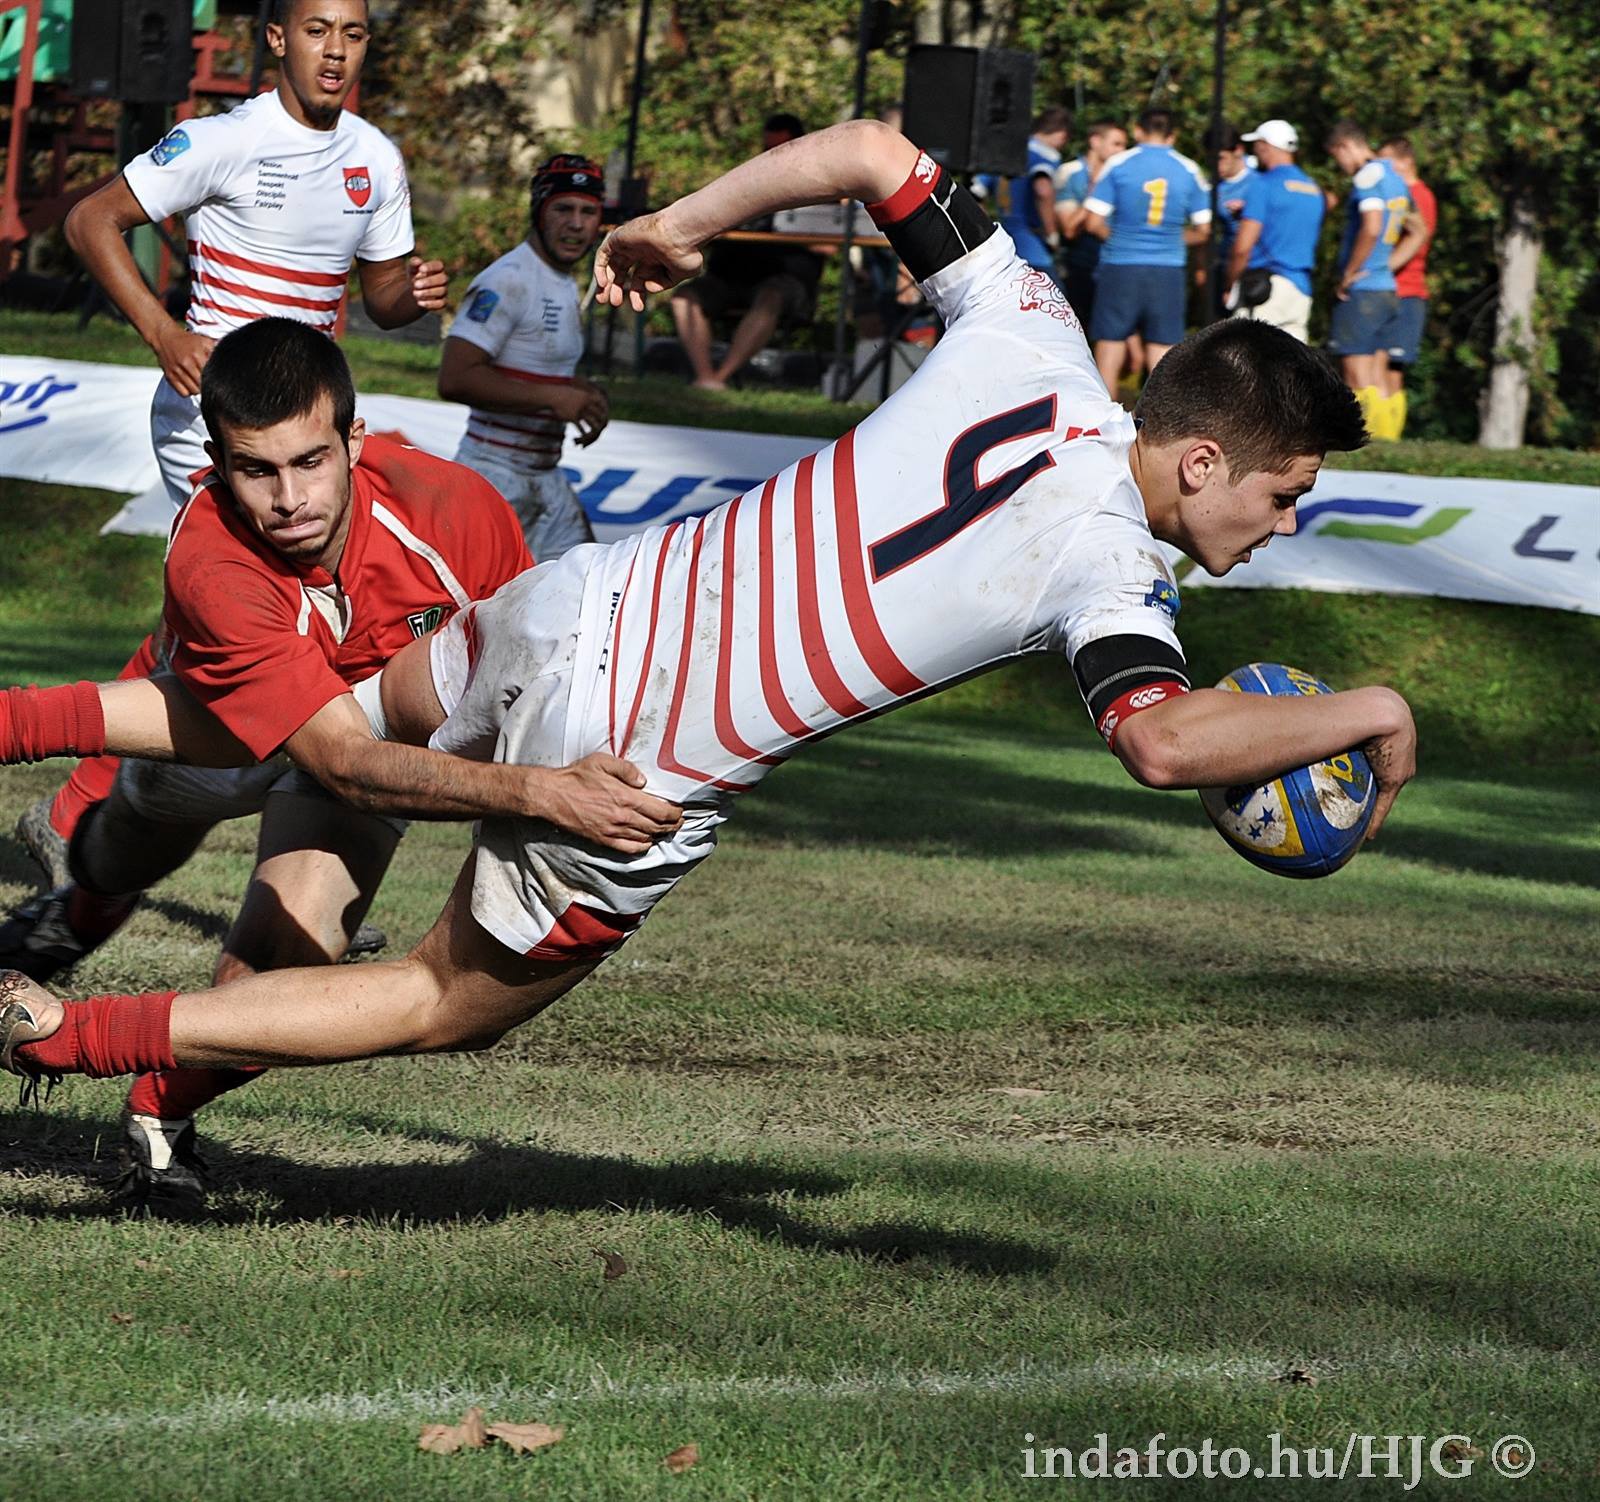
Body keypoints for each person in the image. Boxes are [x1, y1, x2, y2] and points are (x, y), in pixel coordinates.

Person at [0, 121, 1416, 1136]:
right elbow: (1167, 743)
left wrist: (678, 221)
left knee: (337, 728)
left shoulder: (1029, 319)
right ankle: (78, 1032)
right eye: (1289, 494)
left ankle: (102, 943)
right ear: (1206, 461)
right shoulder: (1113, 571)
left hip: (584, 603)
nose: (1285, 525)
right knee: (438, 995)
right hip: (646, 761)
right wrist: (1372, 710)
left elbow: (868, 151)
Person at [0, 318, 678, 1210]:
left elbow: (510, 688)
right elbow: (341, 758)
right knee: (124, 850)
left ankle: (159, 1112)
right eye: (256, 469)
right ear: (214, 459)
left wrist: (543, 778)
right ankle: (79, 907)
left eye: (311, 461)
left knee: (287, 973)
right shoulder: (211, 560)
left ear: (357, 438)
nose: (287, 497)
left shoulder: (458, 512)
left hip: (364, 755)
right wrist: (539, 795)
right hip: (232, 732)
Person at [23, 0, 445, 919]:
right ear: (278, 38)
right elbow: (92, 221)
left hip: (302, 431)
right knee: (272, 620)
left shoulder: (376, 159)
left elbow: (380, 295)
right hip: (209, 427)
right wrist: (165, 332)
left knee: (211, 627)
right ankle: (300, 876)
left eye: (355, 33)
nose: (336, 51)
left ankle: (71, 814)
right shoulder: (223, 139)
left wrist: (413, 295)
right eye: (319, 30)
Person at [438, 154, 609, 560]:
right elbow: (455, 377)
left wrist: (582, 393)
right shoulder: (508, 279)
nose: (576, 223)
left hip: (544, 476)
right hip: (494, 475)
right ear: (538, 211)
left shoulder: (564, 281)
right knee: (474, 609)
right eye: (563, 209)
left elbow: (535, 369)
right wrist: (554, 398)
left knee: (585, 595)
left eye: (589, 212)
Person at [668, 112, 822, 391]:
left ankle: (721, 377)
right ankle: (706, 377)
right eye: (767, 148)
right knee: (684, 298)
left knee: (770, 298)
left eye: (780, 148)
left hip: (784, 281)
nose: (772, 155)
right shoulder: (746, 178)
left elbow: (829, 244)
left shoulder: (820, 184)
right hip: (730, 277)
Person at [1082, 108, 1213, 393]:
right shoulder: (1190, 169)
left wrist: (1120, 239)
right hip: (1168, 269)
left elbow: (1092, 222)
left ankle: (1102, 426)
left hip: (1121, 266)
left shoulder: (1118, 164)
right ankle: (1162, 428)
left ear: (1138, 131)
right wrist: (1172, 240)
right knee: (1163, 349)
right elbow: (1204, 229)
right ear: (1173, 135)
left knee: (1111, 343)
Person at [1325, 119, 1413, 436]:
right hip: (1387, 287)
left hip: (1363, 287)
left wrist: (1350, 271)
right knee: (1378, 375)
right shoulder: (1395, 177)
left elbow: (1372, 225)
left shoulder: (1367, 175)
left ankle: (1362, 439)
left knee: (1355, 371)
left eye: (1338, 158)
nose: (1342, 166)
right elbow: (1414, 229)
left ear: (1345, 146)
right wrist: (1388, 264)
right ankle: (1386, 440)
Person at [1223, 119, 1325, 344]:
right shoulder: (1313, 188)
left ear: (1264, 145)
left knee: (1249, 365)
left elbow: (1242, 247)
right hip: (1301, 288)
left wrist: (1230, 284)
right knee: (1292, 370)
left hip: (1265, 291)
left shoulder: (1263, 185)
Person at [1376, 137, 1436, 440]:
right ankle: (1378, 431)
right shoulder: (1399, 191)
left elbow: (1416, 239)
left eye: (1387, 161)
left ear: (1405, 161)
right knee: (1378, 362)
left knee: (1391, 368)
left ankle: (1388, 436)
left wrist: (1381, 267)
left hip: (1407, 290)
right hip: (1391, 290)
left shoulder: (1417, 195)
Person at [975, 105, 1071, 279]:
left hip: (1004, 245)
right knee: (1051, 301)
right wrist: (1052, 235)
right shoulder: (1046, 155)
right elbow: (1043, 190)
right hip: (1034, 244)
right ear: (1062, 135)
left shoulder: (1006, 152)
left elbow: (975, 192)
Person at [1053, 117, 1127, 330]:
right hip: (1081, 265)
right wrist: (1096, 193)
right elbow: (1069, 228)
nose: (1121, 151)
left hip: (1116, 263)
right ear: (1095, 142)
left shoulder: (1124, 174)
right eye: (1116, 144)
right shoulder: (1070, 173)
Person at [1204, 121, 1253, 306]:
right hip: (1224, 268)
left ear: (1238, 150)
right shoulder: (1210, 187)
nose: (1216, 165)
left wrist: (1250, 209)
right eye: (1211, 159)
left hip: (1256, 269)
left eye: (1221, 158)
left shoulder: (1260, 177)